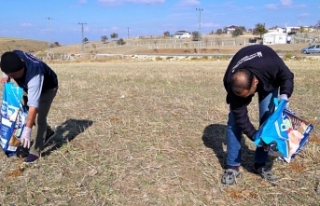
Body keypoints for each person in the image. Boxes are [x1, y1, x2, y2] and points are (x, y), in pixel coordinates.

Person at [222, 44, 294, 185]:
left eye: (247, 95)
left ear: (255, 82)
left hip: (269, 78)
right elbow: (240, 115)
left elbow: (287, 77)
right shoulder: (232, 82)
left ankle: (260, 164)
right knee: (234, 123)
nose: (246, 99)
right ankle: (232, 166)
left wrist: (285, 95)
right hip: (247, 76)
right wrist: (255, 136)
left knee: (268, 120)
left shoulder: (272, 64)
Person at [0, 50, 58, 163]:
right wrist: (5, 76)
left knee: (40, 119)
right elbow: (7, 67)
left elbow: (33, 106)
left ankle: (36, 150)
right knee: (26, 114)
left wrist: (27, 130)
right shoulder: (14, 56)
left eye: (15, 75)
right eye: (11, 74)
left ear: (22, 65)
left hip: (48, 89)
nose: (13, 77)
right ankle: (48, 132)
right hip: (28, 87)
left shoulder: (35, 75)